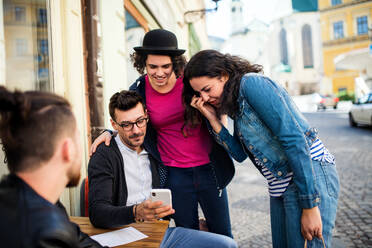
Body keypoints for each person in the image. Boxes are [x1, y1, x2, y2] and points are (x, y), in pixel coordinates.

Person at [182, 49, 340, 248]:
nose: (203, 98)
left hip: (308, 177)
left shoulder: (251, 84)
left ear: (223, 75)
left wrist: (309, 204)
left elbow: (294, 139)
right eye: (198, 93)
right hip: (280, 186)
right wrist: (213, 119)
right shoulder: (237, 105)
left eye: (207, 89)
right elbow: (239, 155)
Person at [90, 29, 235, 237]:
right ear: (143, 64)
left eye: (166, 66)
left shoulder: (190, 83)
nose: (160, 73)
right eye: (153, 66)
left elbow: (218, 104)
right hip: (174, 174)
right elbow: (128, 114)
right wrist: (108, 132)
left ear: (175, 63)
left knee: (223, 234)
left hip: (209, 169)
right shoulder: (140, 89)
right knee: (188, 234)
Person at [88, 90, 237, 248]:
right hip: (123, 234)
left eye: (140, 121)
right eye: (126, 125)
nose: (136, 130)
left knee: (226, 244)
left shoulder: (154, 146)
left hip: (162, 233)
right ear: (114, 124)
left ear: (146, 115)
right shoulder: (105, 155)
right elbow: (98, 213)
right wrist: (135, 212)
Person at [0, 87, 103, 247]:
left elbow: (76, 238)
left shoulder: (41, 203)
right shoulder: (46, 234)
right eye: (78, 137)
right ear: (67, 149)